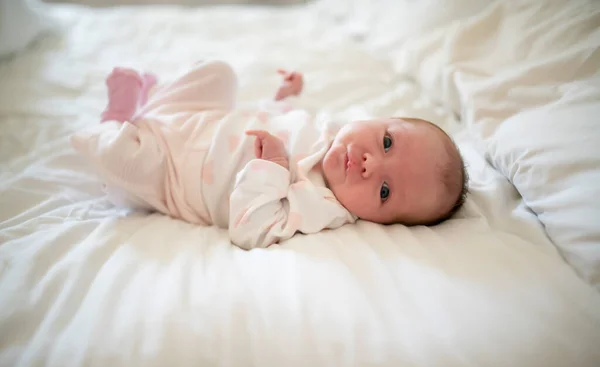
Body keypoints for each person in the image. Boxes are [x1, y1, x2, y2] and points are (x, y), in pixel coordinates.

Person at [71, 60, 468, 249]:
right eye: (386, 143)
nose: (370, 165)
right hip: (204, 123)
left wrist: (274, 168)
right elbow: (276, 120)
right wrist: (284, 98)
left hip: (175, 175)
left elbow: (251, 229)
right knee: (219, 74)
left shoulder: (321, 205)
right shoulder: (331, 127)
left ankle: (117, 118)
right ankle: (156, 104)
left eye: (384, 191)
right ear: (382, 119)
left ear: (381, 222)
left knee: (121, 162)